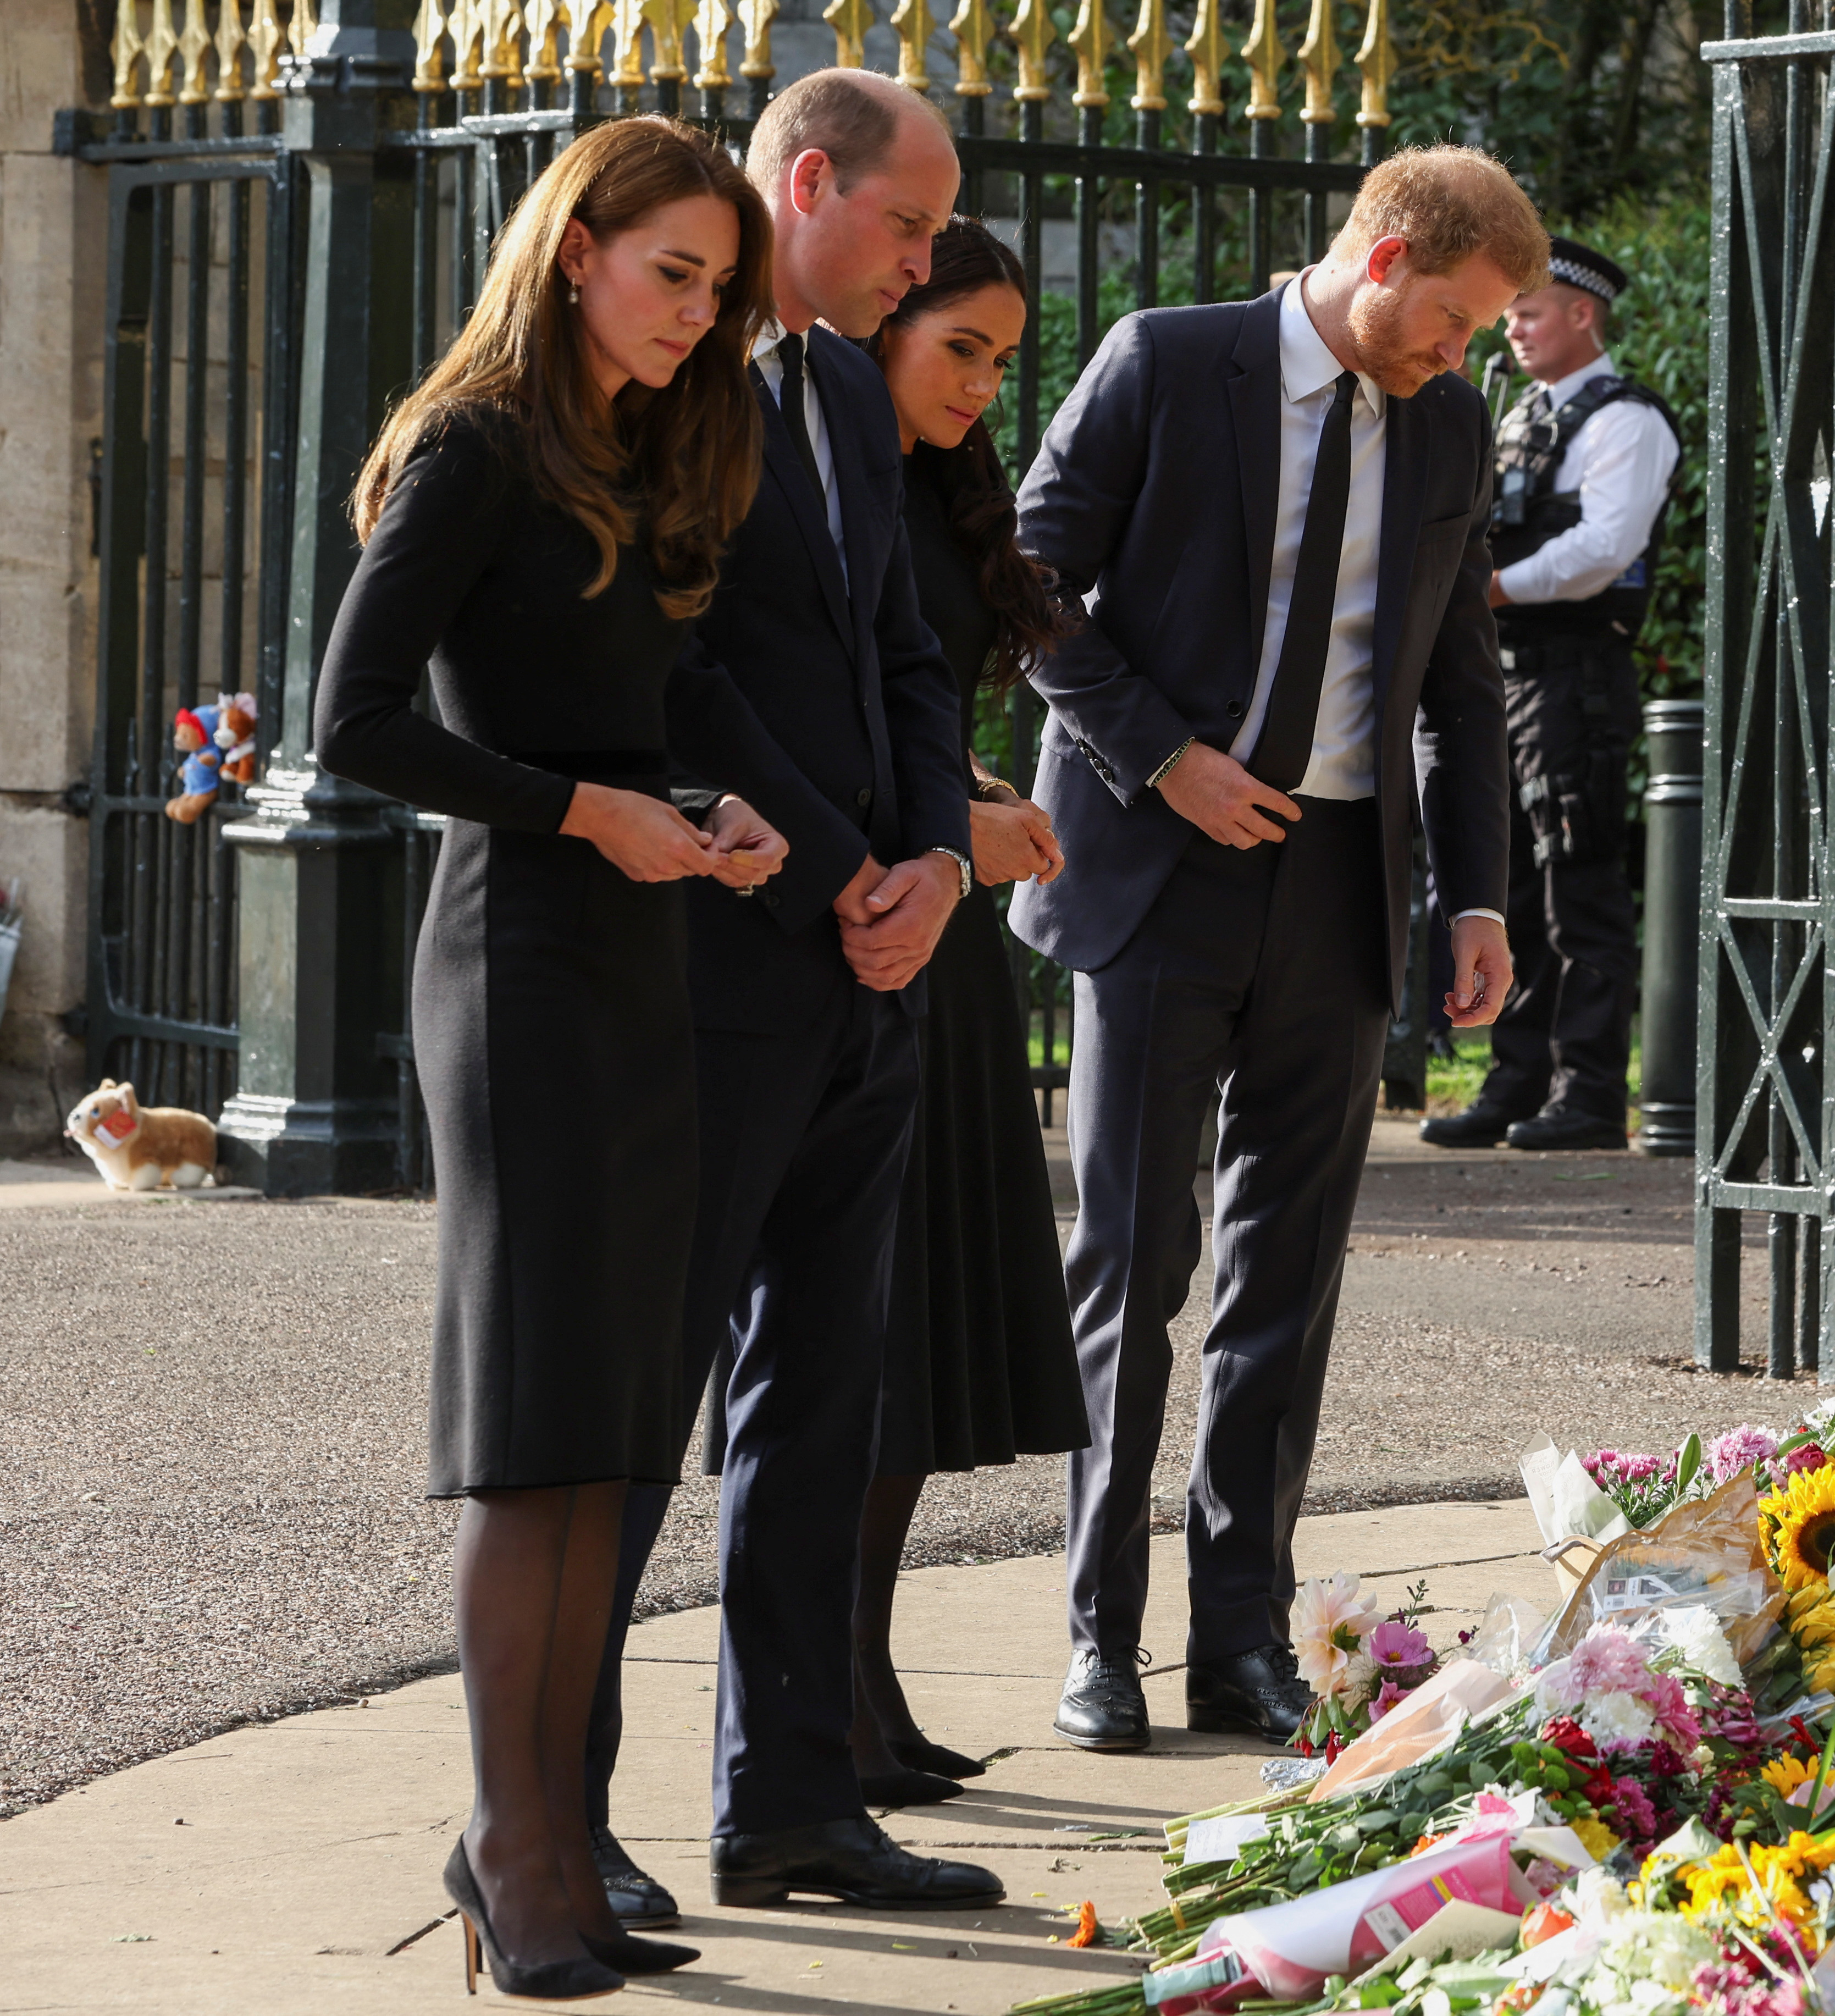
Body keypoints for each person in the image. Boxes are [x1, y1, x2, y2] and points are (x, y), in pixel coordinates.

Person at [312, 115, 801, 1997]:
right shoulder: (474, 446)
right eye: (673, 271)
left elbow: (642, 707)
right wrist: (590, 811)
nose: (696, 315)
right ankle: (513, 1844)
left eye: (717, 288)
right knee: (535, 1437)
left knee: (610, 1427)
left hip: (635, 950)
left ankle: (546, 1833)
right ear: (577, 245)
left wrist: (704, 802)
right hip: (516, 964)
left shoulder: (638, 449)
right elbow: (358, 719)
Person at [1012, 147, 1542, 1752]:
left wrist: (1479, 899)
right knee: (1133, 1262)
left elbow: (1459, 678)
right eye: (1451, 321)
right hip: (1157, 866)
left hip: (1338, 889)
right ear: (1382, 258)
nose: (1462, 358)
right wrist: (1160, 753)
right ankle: (1100, 1632)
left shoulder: (1446, 423)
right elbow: (1026, 578)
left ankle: (1238, 1635)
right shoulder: (1171, 361)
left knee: (1285, 1277)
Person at [583, 69, 1003, 1921]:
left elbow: (905, 648)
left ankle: (791, 1801)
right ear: (809, 180)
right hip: (721, 964)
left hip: (873, 967)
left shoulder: (842, 383)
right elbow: (681, 668)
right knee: (629, 1402)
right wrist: (848, 870)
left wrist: (936, 861)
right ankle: (553, 1805)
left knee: (823, 1392)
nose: (922, 265)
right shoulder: (679, 369)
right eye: (907, 227)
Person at [841, 218, 1091, 1808]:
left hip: (946, 947)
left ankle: (857, 1683)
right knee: (853, 1360)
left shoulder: (935, 484)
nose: (985, 386)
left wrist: (973, 804)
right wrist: (946, 828)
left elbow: (908, 709)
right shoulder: (824, 477)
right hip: (862, 941)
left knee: (916, 1360)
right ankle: (818, 1704)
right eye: (961, 349)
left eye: (1003, 360)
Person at [1420, 236, 1679, 1154]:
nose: (1514, 328)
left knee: (1581, 889)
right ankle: (1516, 1083)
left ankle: (1592, 1093)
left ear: (1583, 313)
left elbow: (1604, 549)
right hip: (1507, 676)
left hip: (1576, 677)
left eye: (1530, 312)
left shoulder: (1625, 420)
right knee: (1511, 888)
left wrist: (1485, 590)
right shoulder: (1518, 411)